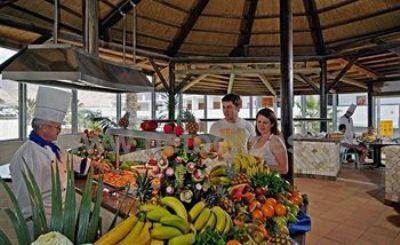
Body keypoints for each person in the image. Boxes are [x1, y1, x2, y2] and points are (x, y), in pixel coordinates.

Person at [9, 87, 107, 223]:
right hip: (42, 221)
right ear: (44, 128)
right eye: (58, 128)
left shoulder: (50, 147)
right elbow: (26, 198)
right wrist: (35, 224)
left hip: (59, 215)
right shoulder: (27, 155)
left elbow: (67, 158)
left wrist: (93, 164)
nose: (59, 131)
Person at [248, 108, 288, 174]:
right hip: (255, 181)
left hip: (270, 181)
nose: (261, 125)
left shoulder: (275, 141)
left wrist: (261, 166)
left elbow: (284, 169)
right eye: (259, 122)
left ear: (272, 124)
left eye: (265, 123)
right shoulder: (254, 140)